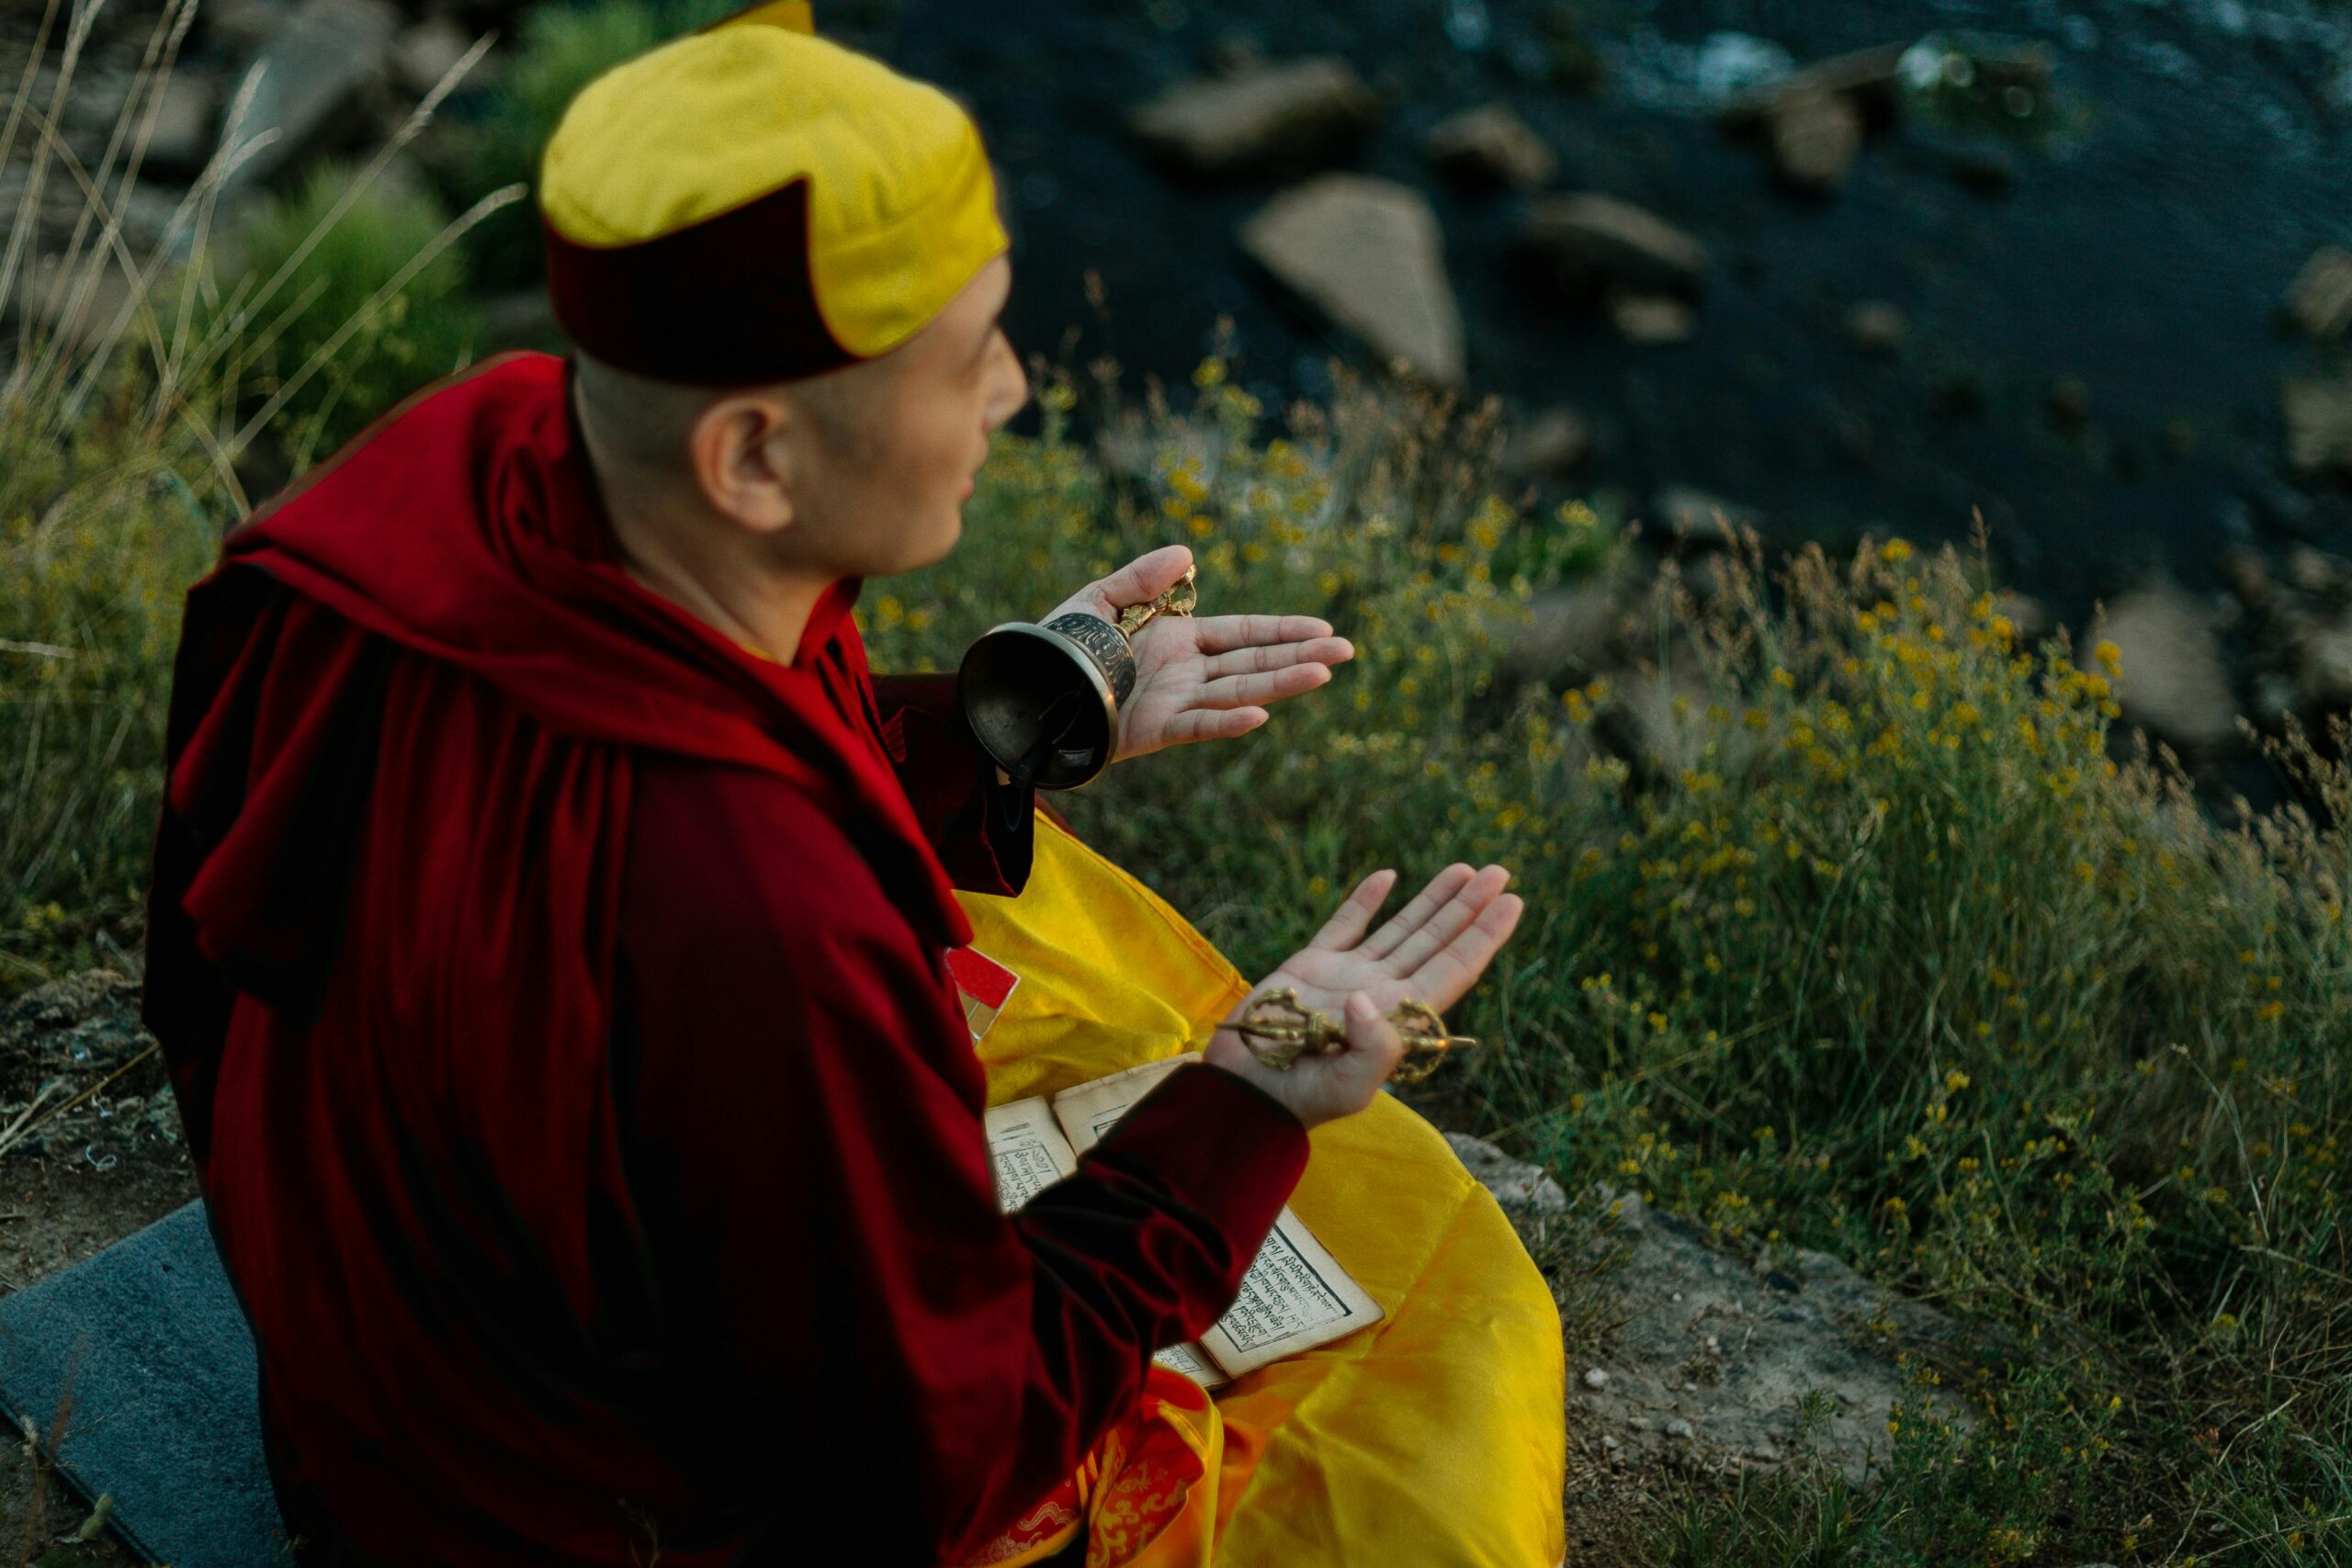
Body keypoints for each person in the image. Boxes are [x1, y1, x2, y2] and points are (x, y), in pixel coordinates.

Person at [142, 6, 1565, 1565]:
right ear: (754, 459)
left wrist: (1017, 717)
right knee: (1414, 1356)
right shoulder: (765, 928)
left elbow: (266, 949)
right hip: (560, 1527)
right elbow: (934, 1458)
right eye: (971, 357)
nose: (1016, 393)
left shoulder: (454, 475)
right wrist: (1248, 1099)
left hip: (375, 1399)